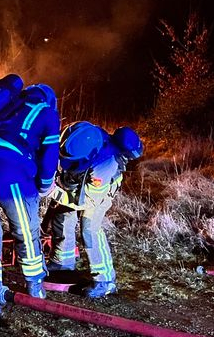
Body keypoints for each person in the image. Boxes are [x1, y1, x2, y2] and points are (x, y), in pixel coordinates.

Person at [0, 82, 61, 316]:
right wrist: (45, 186)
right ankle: (35, 286)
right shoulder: (47, 112)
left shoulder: (6, 103)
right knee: (26, 229)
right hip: (11, 170)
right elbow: (49, 155)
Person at [45, 123, 143, 298]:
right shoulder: (82, 135)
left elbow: (86, 202)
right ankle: (63, 262)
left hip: (100, 193)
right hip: (79, 179)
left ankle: (105, 280)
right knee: (62, 215)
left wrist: (53, 192)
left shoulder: (105, 165)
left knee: (89, 228)